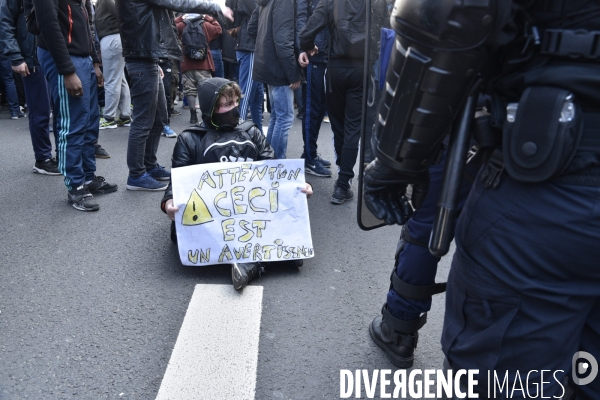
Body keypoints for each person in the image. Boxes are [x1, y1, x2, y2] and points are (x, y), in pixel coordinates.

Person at [363, 0, 600, 398]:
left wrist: (394, 164)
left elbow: (443, 15)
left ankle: (399, 323)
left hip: (546, 187)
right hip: (551, 169)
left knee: (499, 378)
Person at [161, 78, 312, 289]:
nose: (233, 109)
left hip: (247, 212)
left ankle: (253, 259)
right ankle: (256, 261)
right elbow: (176, 183)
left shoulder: (251, 132)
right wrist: (169, 202)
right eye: (225, 105)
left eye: (234, 103)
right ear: (210, 109)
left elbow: (273, 174)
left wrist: (297, 188)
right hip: (212, 219)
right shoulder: (189, 139)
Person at [115, 0, 233, 191]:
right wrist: (215, 7)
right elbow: (178, 2)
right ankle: (136, 175)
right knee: (144, 120)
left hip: (149, 57)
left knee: (159, 117)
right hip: (142, 57)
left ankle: (149, 166)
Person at [34, 0, 118, 211]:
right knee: (72, 124)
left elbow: (87, 27)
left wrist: (95, 62)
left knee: (90, 123)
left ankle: (88, 178)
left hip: (83, 58)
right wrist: (66, 70)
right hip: (65, 58)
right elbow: (48, 23)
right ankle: (75, 185)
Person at [299, 0, 366, 204]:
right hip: (362, 67)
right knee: (353, 127)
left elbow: (307, 32)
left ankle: (343, 181)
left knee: (339, 127)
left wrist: (308, 47)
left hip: (336, 68)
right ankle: (343, 183)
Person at [0, 0, 58, 174]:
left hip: (55, 55)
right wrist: (16, 57)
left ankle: (60, 155)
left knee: (59, 111)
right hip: (32, 58)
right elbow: (5, 21)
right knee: (40, 111)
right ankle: (43, 158)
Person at [248, 0, 301, 160]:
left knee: (278, 116)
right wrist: (293, 73)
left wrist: (265, 42)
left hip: (267, 62)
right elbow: (283, 40)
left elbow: (251, 28)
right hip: (279, 66)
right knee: (284, 117)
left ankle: (268, 160)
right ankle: (276, 165)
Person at [296, 0, 331, 178]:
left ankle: (310, 153)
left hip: (325, 55)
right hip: (313, 54)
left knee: (320, 109)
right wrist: (303, 47)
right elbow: (302, 18)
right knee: (312, 110)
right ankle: (309, 157)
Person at [175, 13, 222, 125]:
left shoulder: (182, 25)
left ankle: (193, 115)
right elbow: (219, 29)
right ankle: (206, 115)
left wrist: (180, 18)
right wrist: (207, 17)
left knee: (190, 90)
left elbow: (172, 27)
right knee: (205, 89)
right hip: (203, 63)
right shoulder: (205, 24)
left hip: (187, 63)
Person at [95, 0, 131, 131]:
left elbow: (121, 13)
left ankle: (109, 118)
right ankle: (125, 115)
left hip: (112, 38)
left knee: (111, 80)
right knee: (120, 79)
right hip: (116, 38)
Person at [228, 0, 264, 132]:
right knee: (246, 93)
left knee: (256, 96)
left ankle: (257, 132)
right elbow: (259, 13)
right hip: (249, 46)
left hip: (248, 45)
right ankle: (239, 132)